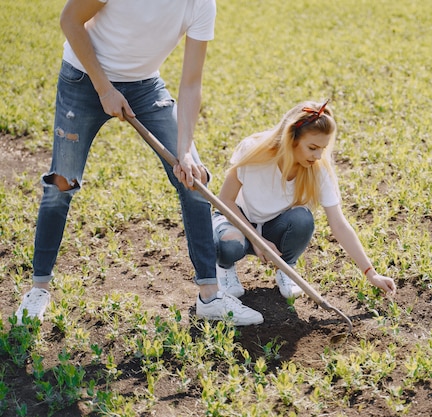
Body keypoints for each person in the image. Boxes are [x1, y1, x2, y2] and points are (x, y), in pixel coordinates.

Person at [15, 0, 263, 327]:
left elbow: (191, 83)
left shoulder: (202, 4)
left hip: (146, 86)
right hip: (84, 79)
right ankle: (38, 289)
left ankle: (210, 297)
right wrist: (104, 89)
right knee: (63, 182)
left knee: (194, 180)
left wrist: (185, 150)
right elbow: (70, 20)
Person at [213, 99, 397, 302]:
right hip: (236, 221)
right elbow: (225, 201)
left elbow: (339, 224)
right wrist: (257, 240)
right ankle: (224, 267)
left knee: (302, 219)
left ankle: (286, 268)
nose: (318, 155)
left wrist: (371, 273)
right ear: (292, 139)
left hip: (272, 227)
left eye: (322, 149)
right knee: (229, 246)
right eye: (312, 148)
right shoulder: (253, 150)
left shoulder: (317, 169)